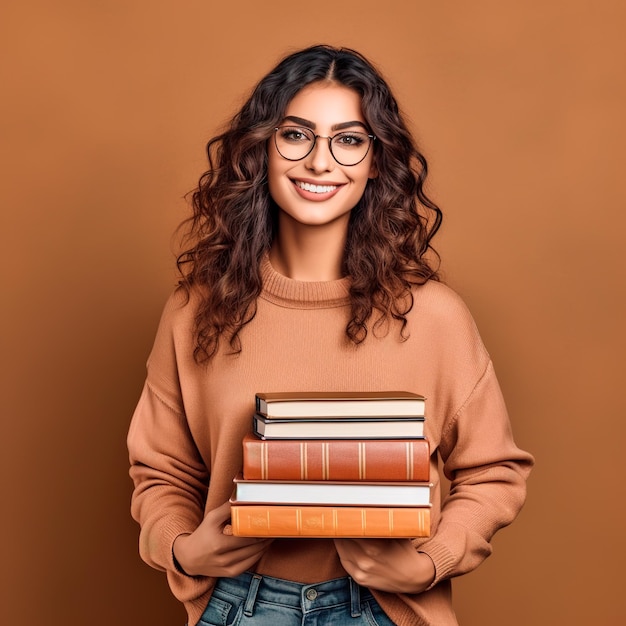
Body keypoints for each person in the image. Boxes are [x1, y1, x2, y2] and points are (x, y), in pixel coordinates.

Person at [128, 44, 534, 626]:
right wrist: (182, 549)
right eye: (296, 135)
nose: (321, 162)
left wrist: (430, 563)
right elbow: (161, 472)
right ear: (262, 150)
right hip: (239, 605)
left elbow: (494, 472)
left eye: (348, 139)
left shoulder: (435, 317)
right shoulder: (195, 312)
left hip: (385, 609)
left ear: (375, 162)